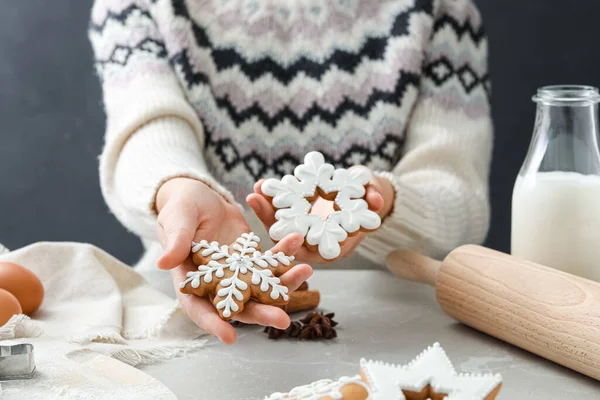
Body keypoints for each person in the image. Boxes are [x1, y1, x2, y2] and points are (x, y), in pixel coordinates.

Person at [88, 0, 493, 343]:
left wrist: (383, 203)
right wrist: (176, 188)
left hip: (393, 331)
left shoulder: (440, 8)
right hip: (179, 326)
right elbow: (149, 130)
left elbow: (457, 193)